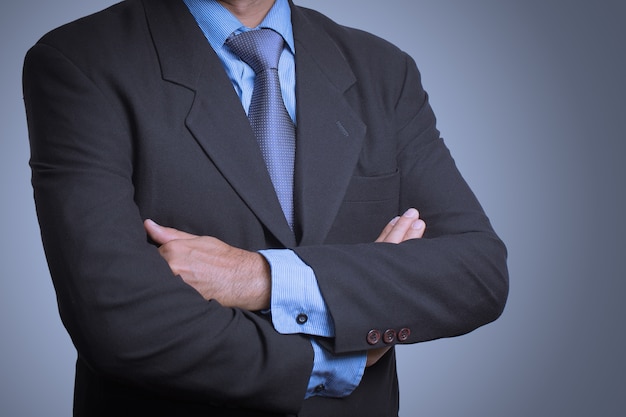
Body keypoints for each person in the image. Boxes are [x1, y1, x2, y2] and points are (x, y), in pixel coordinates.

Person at [22, 0, 509, 415]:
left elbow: (477, 273)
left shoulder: (384, 70)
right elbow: (116, 318)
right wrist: (343, 356)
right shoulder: (81, 60)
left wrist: (261, 277)